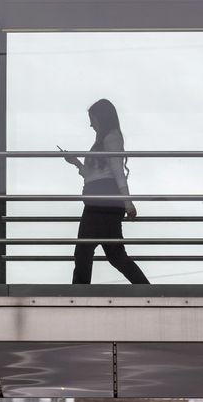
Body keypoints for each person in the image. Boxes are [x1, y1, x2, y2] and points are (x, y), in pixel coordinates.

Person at [61, 99, 149, 284]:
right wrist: (76, 162)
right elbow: (94, 175)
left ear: (101, 118)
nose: (91, 124)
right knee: (114, 254)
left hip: (102, 203)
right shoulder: (104, 140)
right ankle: (146, 289)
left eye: (93, 119)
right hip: (101, 202)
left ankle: (79, 295)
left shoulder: (111, 138)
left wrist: (128, 202)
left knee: (85, 252)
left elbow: (117, 172)